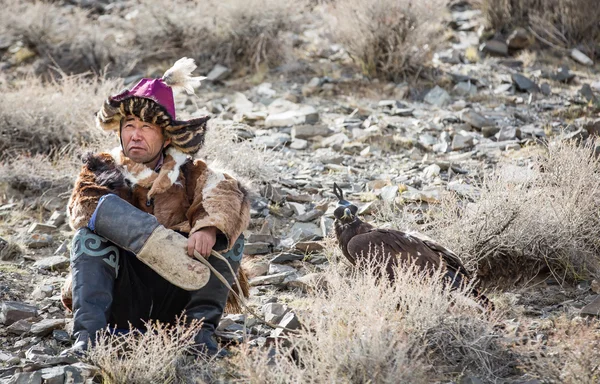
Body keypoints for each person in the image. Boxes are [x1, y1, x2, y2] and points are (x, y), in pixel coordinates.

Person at [60, 58, 250, 358]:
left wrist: (209, 227)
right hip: (121, 300)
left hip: (175, 298)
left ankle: (198, 335)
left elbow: (227, 194)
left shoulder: (193, 173)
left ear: (166, 136)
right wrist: (156, 237)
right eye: (130, 126)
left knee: (228, 238)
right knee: (89, 235)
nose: (135, 134)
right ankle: (89, 337)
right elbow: (85, 207)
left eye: (146, 127)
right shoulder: (102, 168)